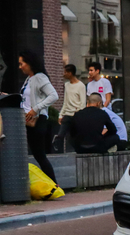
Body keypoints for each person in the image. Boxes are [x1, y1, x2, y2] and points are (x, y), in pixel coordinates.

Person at [18, 50, 59, 183]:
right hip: (28, 120)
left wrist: (35, 109)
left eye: (21, 63)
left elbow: (54, 96)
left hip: (36, 121)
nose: (20, 67)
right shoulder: (29, 79)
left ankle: (53, 184)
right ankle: (51, 184)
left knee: (39, 154)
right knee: (37, 154)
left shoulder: (39, 77)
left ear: (29, 63)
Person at [54, 64, 85, 153]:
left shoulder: (81, 86)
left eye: (65, 72)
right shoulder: (66, 85)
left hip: (76, 115)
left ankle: (78, 151)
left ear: (70, 73)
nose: (63, 74)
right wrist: (61, 114)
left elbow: (82, 102)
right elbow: (65, 101)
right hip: (67, 114)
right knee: (61, 134)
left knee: (74, 136)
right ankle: (58, 150)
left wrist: (78, 113)